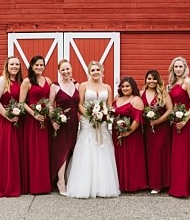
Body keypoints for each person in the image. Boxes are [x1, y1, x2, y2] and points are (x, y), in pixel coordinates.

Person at [65, 61, 120, 198]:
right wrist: (91, 116)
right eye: (93, 70)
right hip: (87, 121)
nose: (95, 72)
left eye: (97, 70)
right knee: (87, 147)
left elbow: (109, 106)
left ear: (102, 71)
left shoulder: (107, 87)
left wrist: (104, 115)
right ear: (89, 72)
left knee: (102, 148)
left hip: (102, 122)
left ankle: (102, 186)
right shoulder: (84, 86)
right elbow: (79, 104)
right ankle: (84, 185)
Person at [0, 56, 24, 197]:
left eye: (17, 64)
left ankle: (16, 182)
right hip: (5, 121)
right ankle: (5, 183)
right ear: (7, 66)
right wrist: (9, 116)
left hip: (18, 121)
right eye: (12, 64)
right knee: (6, 151)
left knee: (16, 151)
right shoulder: (1, 81)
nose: (15, 67)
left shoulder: (19, 82)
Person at [18, 55, 52, 195]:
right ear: (32, 66)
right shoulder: (27, 82)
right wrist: (34, 114)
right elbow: (21, 103)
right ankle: (34, 185)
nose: (39, 67)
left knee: (44, 151)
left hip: (45, 119)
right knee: (34, 151)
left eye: (41, 65)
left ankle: (44, 184)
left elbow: (49, 101)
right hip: (32, 121)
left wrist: (51, 115)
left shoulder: (48, 81)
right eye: (36, 65)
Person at [48, 59, 80, 196]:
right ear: (59, 71)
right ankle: (61, 182)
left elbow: (81, 104)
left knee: (71, 149)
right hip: (61, 123)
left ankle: (65, 178)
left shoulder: (77, 85)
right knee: (62, 151)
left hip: (74, 122)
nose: (66, 72)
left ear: (71, 69)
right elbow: (50, 105)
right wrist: (53, 120)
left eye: (68, 69)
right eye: (63, 70)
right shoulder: (55, 86)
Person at [168, 57, 190, 198]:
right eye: (176, 67)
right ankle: (176, 186)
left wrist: (185, 119)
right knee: (176, 155)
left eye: (180, 66)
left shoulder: (188, 82)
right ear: (172, 68)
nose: (178, 69)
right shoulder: (173, 83)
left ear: (185, 68)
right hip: (175, 121)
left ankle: (183, 189)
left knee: (183, 154)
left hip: (185, 121)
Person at [112, 76, 148, 192]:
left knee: (131, 158)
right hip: (117, 133)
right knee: (118, 157)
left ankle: (132, 184)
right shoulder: (117, 98)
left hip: (132, 135)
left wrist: (128, 132)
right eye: (123, 86)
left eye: (127, 86)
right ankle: (119, 183)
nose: (125, 88)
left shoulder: (136, 99)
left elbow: (137, 119)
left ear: (132, 87)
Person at [141, 70, 173, 194]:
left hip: (162, 128)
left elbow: (170, 110)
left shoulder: (163, 93)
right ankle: (150, 182)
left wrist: (158, 121)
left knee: (159, 154)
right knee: (149, 155)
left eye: (154, 79)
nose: (152, 81)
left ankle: (160, 184)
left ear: (158, 80)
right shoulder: (141, 93)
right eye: (149, 78)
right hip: (147, 130)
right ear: (146, 80)